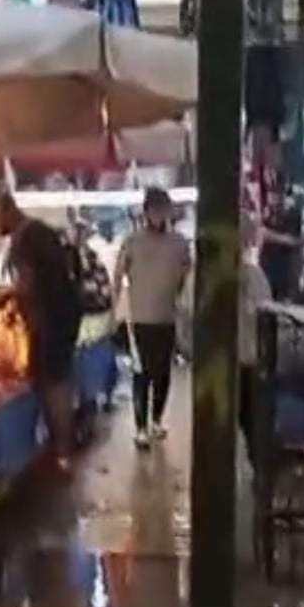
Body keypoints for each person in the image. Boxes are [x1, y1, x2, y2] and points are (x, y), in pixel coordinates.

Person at [0, 184, 83, 472]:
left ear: (4, 209)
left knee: (54, 384)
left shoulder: (28, 238)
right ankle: (61, 447)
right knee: (55, 381)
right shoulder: (37, 232)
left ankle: (64, 451)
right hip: (59, 319)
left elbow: (26, 285)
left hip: (50, 323)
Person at [112, 187, 191, 449]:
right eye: (154, 210)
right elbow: (117, 274)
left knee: (163, 373)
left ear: (168, 211)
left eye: (162, 209)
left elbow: (187, 276)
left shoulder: (179, 243)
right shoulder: (132, 241)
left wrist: (181, 299)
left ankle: (156, 420)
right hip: (140, 320)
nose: (158, 215)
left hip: (167, 317)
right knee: (141, 373)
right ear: (146, 213)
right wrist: (115, 311)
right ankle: (141, 428)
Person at [239, 242, 272, 470]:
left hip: (245, 357)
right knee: (249, 415)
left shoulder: (254, 276)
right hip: (246, 356)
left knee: (247, 415)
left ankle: (256, 461)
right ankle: (256, 462)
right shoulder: (255, 275)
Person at [258, 179, 302, 302]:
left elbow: (297, 241)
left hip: (283, 269)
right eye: (274, 194)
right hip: (269, 266)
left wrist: (268, 235)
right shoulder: (269, 212)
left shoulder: (295, 214)